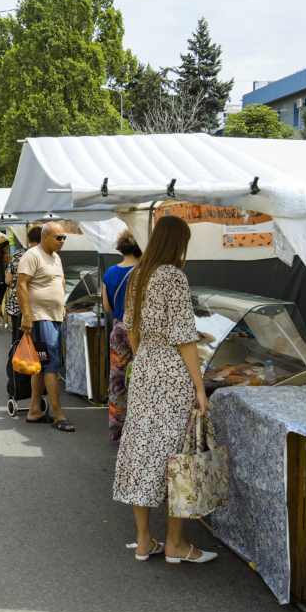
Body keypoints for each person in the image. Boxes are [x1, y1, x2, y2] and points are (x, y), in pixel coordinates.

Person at [113, 215, 217, 564]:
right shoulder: (173, 276)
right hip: (172, 373)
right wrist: (199, 387)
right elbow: (185, 337)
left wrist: (145, 361)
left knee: (143, 449)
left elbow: (131, 330)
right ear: (179, 244)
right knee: (178, 456)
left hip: (144, 369)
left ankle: (144, 540)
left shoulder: (138, 274)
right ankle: (174, 544)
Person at [17, 221, 70, 430]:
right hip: (40, 318)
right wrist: (27, 316)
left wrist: (62, 304)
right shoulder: (32, 255)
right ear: (45, 237)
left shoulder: (56, 257)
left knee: (41, 366)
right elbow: (21, 284)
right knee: (51, 366)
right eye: (59, 237)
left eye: (64, 237)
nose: (62, 241)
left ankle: (34, 411)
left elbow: (61, 281)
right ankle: (58, 414)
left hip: (54, 316)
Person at [102, 230, 142, 443]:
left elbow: (107, 308)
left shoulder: (109, 273)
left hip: (118, 330)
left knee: (118, 383)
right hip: (139, 330)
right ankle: (138, 436)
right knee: (140, 381)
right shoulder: (145, 272)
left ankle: (117, 434)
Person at [6, 226, 40, 342]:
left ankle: (15, 359)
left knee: (17, 339)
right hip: (38, 304)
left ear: (29, 239)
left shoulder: (18, 254)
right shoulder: (45, 255)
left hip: (17, 300)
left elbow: (8, 280)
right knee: (38, 342)